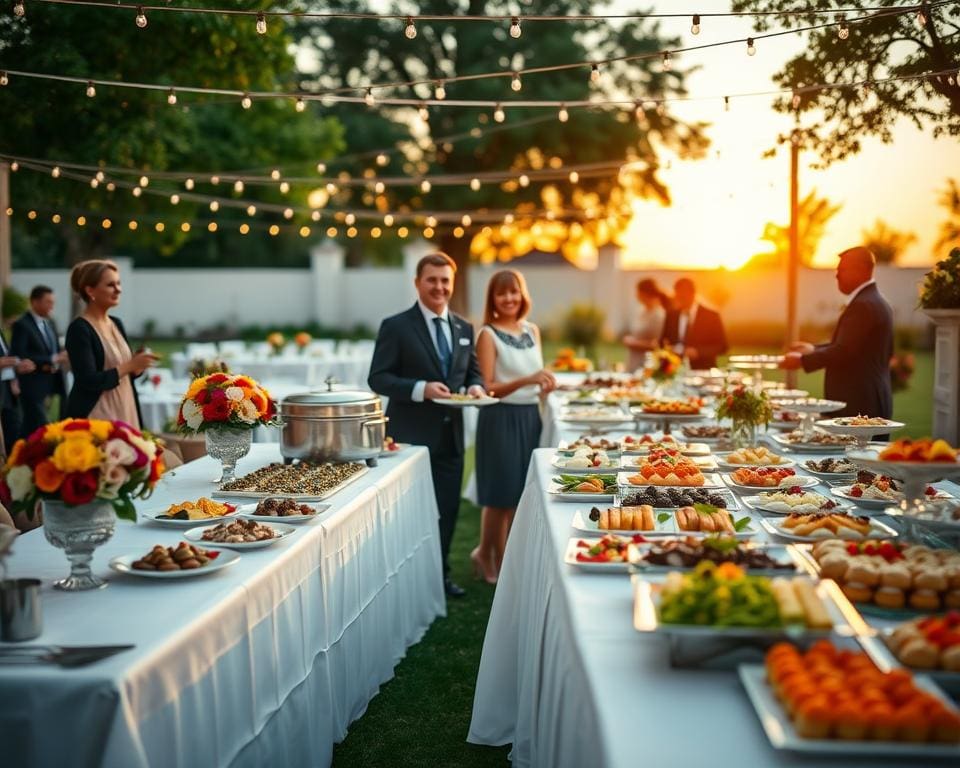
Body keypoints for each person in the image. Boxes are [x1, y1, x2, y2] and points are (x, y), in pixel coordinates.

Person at [368, 252, 486, 598]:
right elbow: (378, 378)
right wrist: (421, 389)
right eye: (432, 280)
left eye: (445, 280)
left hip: (451, 436)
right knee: (405, 513)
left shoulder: (464, 327)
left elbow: (472, 371)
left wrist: (476, 386)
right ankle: (403, 580)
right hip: (409, 438)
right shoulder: (396, 326)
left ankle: (439, 575)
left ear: (453, 283)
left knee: (446, 510)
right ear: (417, 282)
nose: (439, 287)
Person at [472, 270, 555, 583]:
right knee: (499, 496)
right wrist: (529, 379)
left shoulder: (532, 330)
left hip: (529, 418)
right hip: (499, 418)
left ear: (523, 295)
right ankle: (485, 554)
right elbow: (488, 386)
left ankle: (507, 560)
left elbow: (534, 378)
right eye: (501, 293)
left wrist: (544, 386)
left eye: (514, 292)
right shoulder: (488, 335)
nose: (509, 299)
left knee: (519, 495)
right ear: (493, 299)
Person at [781, 246, 894, 418]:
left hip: (860, 404)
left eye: (842, 270)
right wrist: (813, 349)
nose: (836, 275)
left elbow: (844, 351)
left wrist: (803, 360)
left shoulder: (863, 305)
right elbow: (852, 347)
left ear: (861, 270)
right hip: (869, 399)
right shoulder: (876, 300)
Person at [64, 260, 159, 426]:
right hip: (97, 414)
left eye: (119, 283)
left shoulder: (116, 323)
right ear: (90, 290)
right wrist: (129, 365)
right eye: (110, 285)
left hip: (126, 408)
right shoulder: (79, 329)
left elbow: (122, 373)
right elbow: (88, 380)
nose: (118, 289)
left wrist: (136, 369)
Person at [11, 286, 68, 438]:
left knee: (30, 427)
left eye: (53, 302)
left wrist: (60, 357)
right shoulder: (22, 325)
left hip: (50, 381)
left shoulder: (50, 323)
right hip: (31, 384)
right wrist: (52, 358)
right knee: (42, 425)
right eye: (48, 302)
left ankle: (23, 453)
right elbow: (19, 355)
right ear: (34, 302)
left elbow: (54, 350)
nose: (52, 306)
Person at [660, 277, 728, 370]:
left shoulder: (711, 316)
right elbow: (663, 341)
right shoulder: (671, 315)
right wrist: (669, 349)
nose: (679, 298)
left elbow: (722, 346)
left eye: (683, 295)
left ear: (692, 294)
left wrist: (698, 352)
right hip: (675, 371)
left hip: (703, 370)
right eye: (678, 295)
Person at [0, 324, 35, 455]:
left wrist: (16, 368)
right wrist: (11, 362)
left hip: (8, 392)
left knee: (14, 437)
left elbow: (5, 357)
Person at [622, 278, 669, 371]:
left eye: (638, 292)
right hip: (633, 359)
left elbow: (658, 344)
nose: (636, 295)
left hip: (647, 361)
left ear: (645, 293)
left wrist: (634, 343)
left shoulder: (658, 315)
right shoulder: (640, 311)